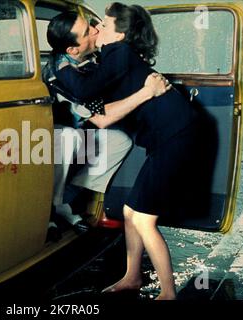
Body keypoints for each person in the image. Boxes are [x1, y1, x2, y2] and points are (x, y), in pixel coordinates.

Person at [53, 3, 211, 300]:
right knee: (129, 211)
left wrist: (60, 67)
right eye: (93, 27)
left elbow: (87, 92)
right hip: (169, 137)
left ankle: (168, 293)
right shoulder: (112, 59)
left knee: (143, 219)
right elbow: (104, 108)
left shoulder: (119, 53)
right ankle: (132, 276)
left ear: (119, 34)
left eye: (104, 26)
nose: (98, 28)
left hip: (175, 137)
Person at [44, 11, 171, 240]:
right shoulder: (62, 74)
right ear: (72, 49)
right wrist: (147, 92)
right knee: (68, 138)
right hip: (51, 133)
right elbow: (103, 118)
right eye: (87, 31)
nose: (95, 29)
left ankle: (68, 197)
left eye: (92, 24)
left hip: (82, 127)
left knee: (120, 140)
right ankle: (51, 209)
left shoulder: (88, 57)